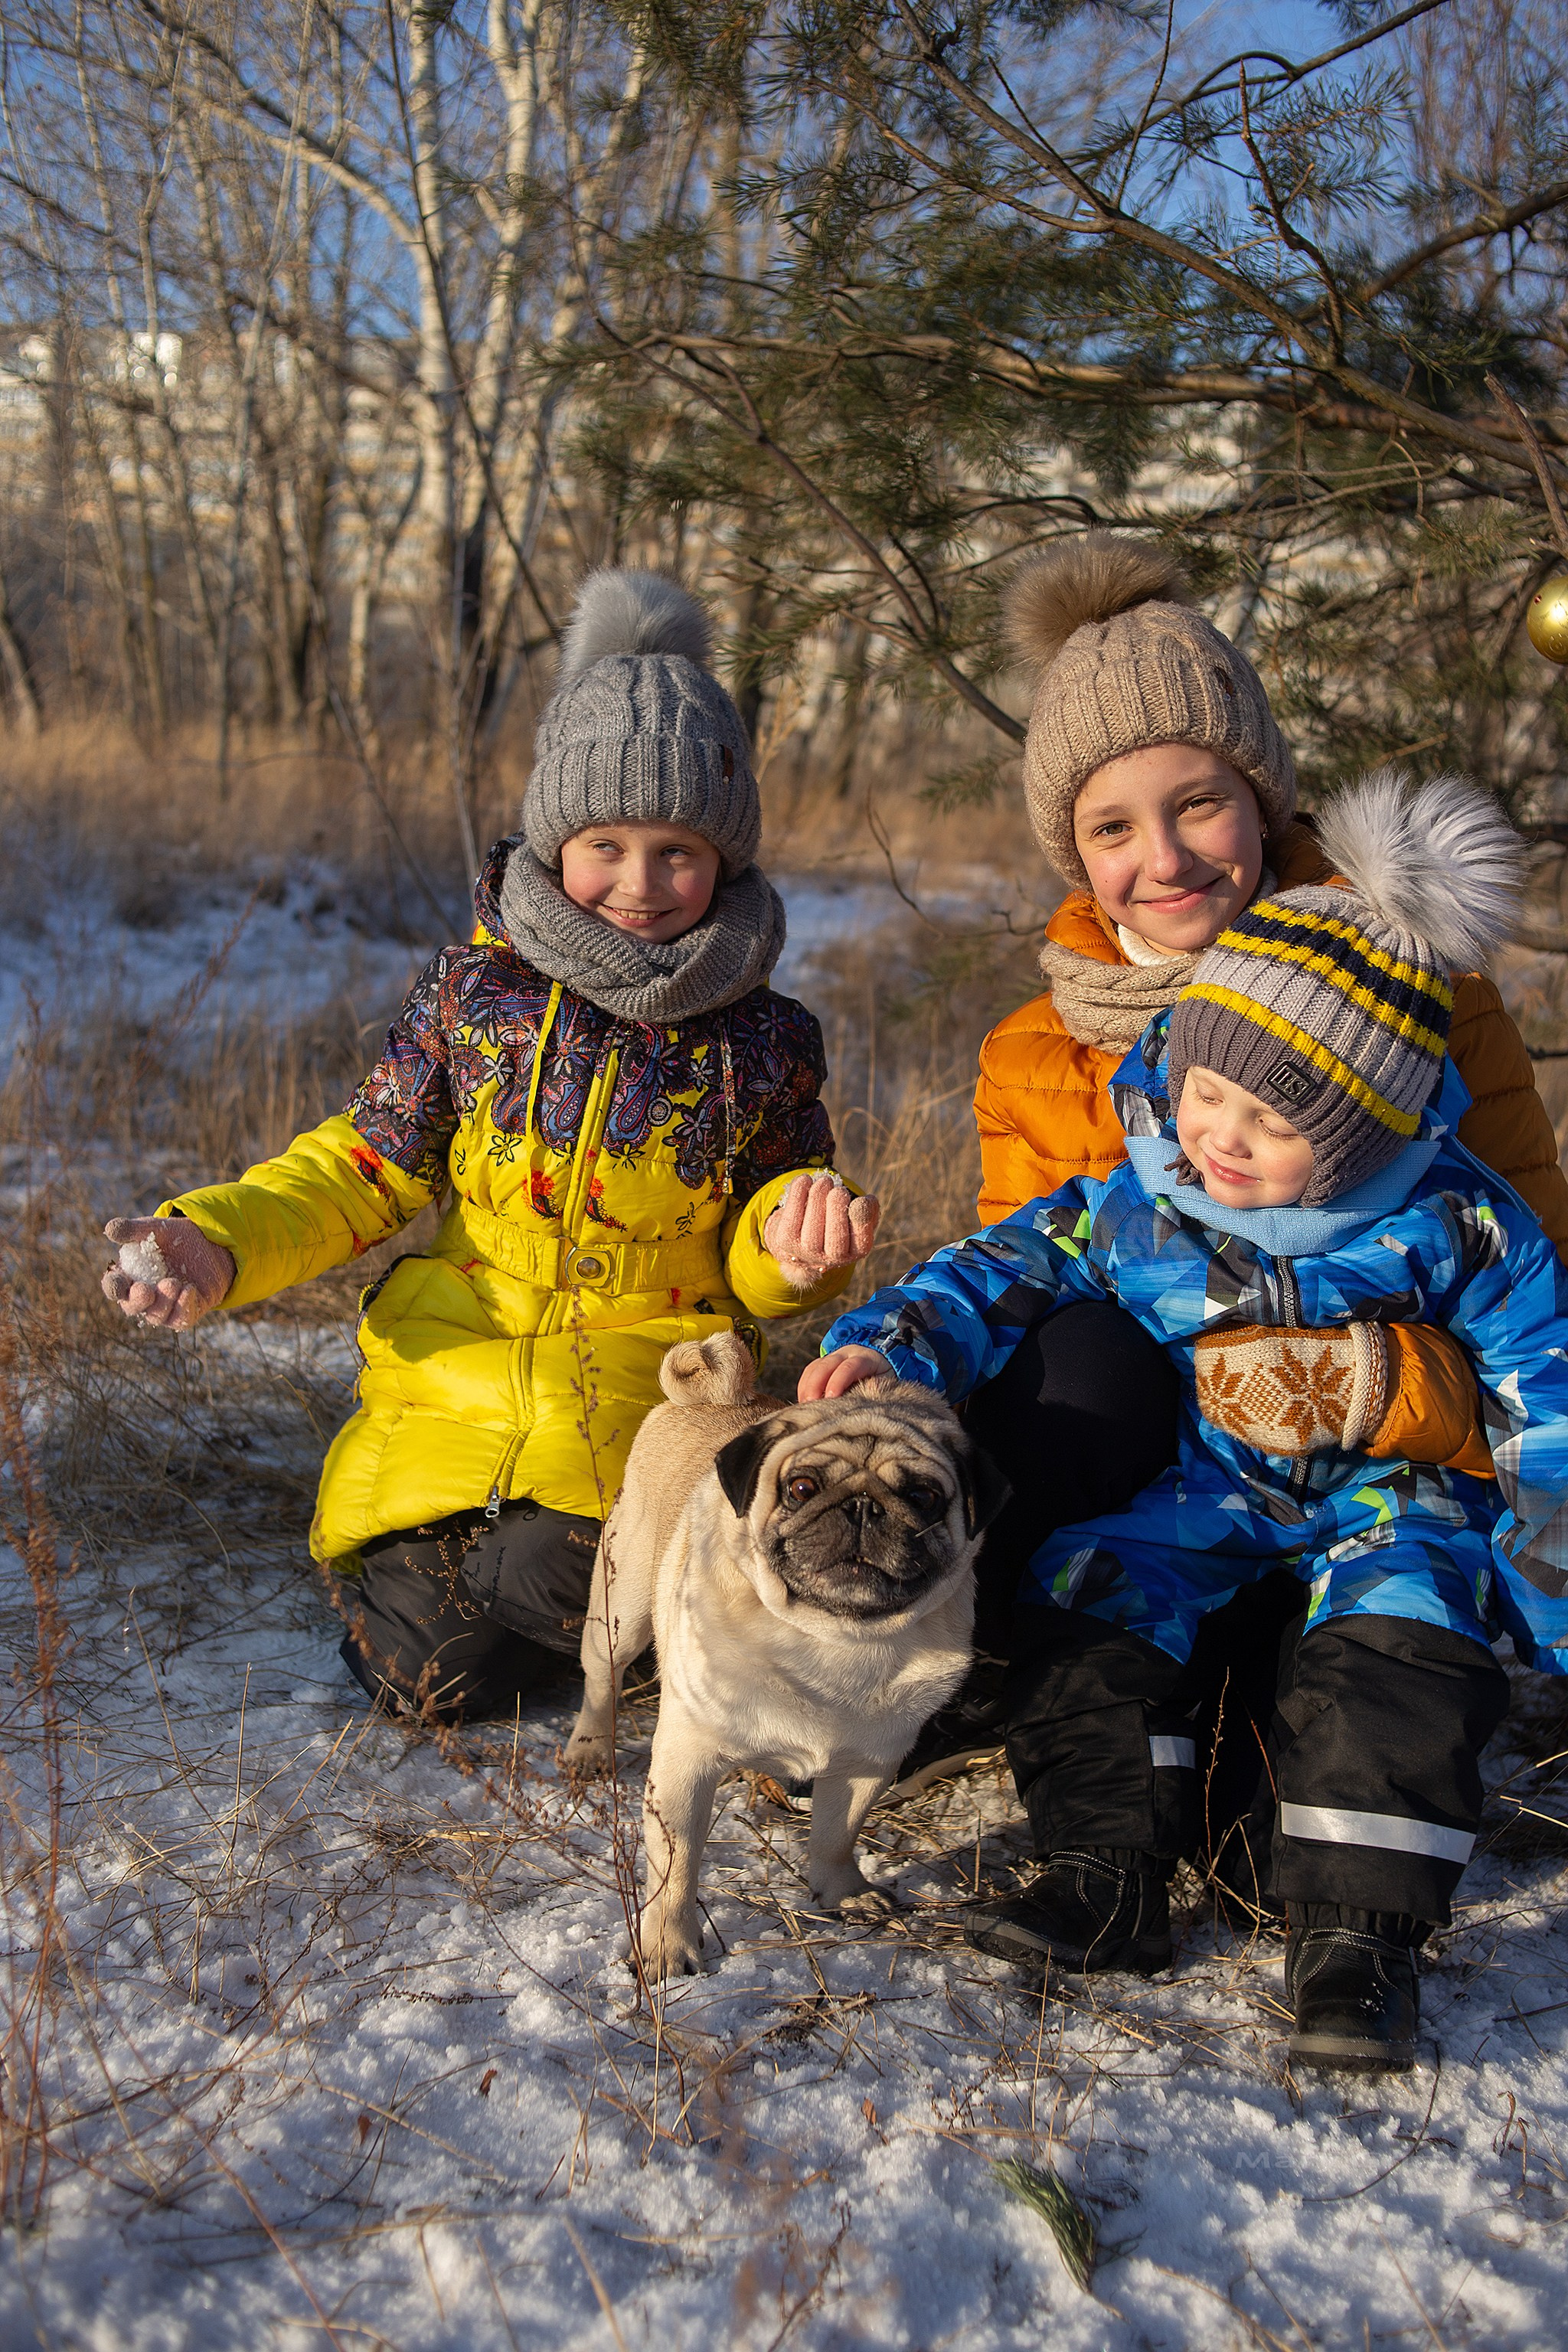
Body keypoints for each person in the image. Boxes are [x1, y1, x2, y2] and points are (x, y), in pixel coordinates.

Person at [809, 768, 1568, 2073]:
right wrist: (888, 1343)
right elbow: (1000, 1267)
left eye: (1270, 1122)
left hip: (1392, 1500)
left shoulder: (1460, 1222)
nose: (1219, 1137)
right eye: (1207, 1092)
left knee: (1398, 1655)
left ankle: (1355, 1946)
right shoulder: (1150, 1192)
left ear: (1366, 1130)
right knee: (1089, 1590)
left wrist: (1549, 1581)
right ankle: (1101, 1870)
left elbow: (1542, 1392)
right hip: (1201, 1489)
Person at [100, 569, 879, 1720]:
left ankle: (608, 1605)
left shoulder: (764, 1037)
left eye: (679, 851)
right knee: (423, 1681)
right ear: (555, 838)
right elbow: (360, 1166)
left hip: (636, 1399)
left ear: (728, 859)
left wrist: (798, 1248)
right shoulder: (477, 997)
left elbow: (763, 1241)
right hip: (449, 1392)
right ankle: (481, 1597)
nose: (640, 883)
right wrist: (216, 1241)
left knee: (546, 1571)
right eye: (604, 842)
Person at [892, 534, 1568, 1854]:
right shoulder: (1035, 1047)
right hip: (1166, 1478)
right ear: (1070, 849)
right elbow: (1028, 1305)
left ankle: (1300, 1683)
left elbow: (1532, 1269)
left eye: (1200, 803)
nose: (1167, 858)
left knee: (1274, 1828)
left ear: (1263, 796)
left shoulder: (1423, 993)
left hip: (1377, 1472)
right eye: (1111, 825)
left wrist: (1387, 1384)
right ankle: (1031, 1647)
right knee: (1068, 1362)